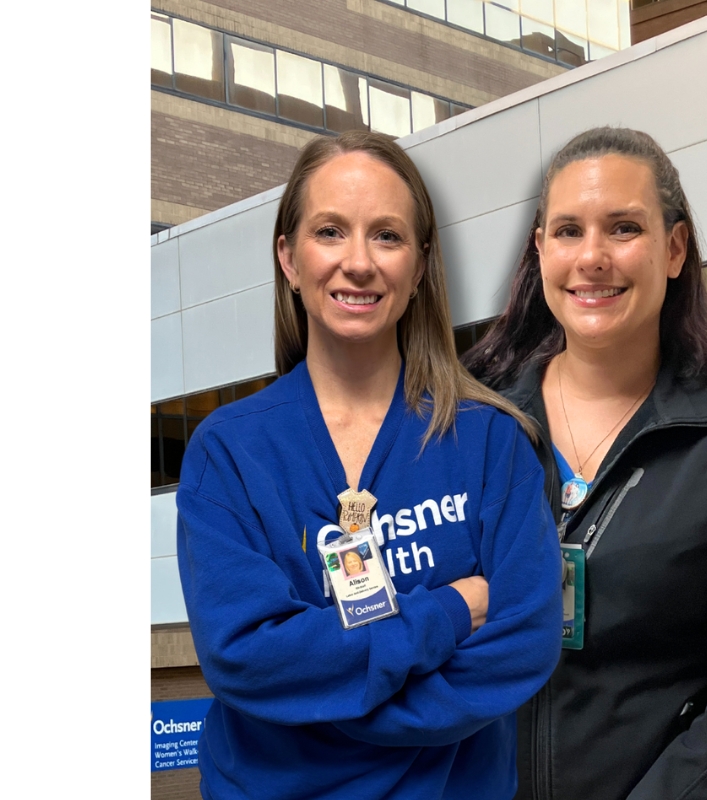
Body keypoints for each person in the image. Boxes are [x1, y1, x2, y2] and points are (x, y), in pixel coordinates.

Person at [175, 131, 564, 800]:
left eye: (386, 236)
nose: (358, 263)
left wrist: (323, 697)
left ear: (419, 267)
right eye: (330, 231)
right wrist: (444, 612)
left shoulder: (491, 442)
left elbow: (522, 643)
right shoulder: (227, 453)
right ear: (288, 258)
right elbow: (246, 656)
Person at [463, 127, 707, 800]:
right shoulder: (474, 427)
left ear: (674, 249)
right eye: (567, 231)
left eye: (623, 228)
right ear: (539, 250)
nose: (592, 257)